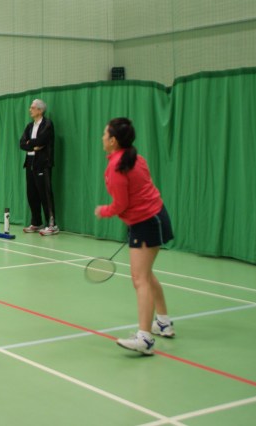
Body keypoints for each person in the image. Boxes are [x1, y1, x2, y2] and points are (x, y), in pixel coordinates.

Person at [94, 117, 175, 356]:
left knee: (139, 279)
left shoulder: (118, 167)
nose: (102, 137)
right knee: (145, 275)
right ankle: (163, 322)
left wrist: (103, 211)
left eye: (105, 134)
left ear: (113, 140)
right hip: (155, 217)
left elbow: (120, 204)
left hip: (146, 222)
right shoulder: (136, 159)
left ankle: (145, 339)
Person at [19, 99, 58, 235]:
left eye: (33, 107)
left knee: (45, 194)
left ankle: (52, 225)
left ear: (40, 110)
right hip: (30, 162)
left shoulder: (47, 124)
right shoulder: (29, 126)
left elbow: (42, 140)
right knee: (32, 194)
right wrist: (33, 146)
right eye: (30, 107)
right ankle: (36, 222)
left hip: (42, 163)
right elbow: (22, 143)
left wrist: (31, 143)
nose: (30, 110)